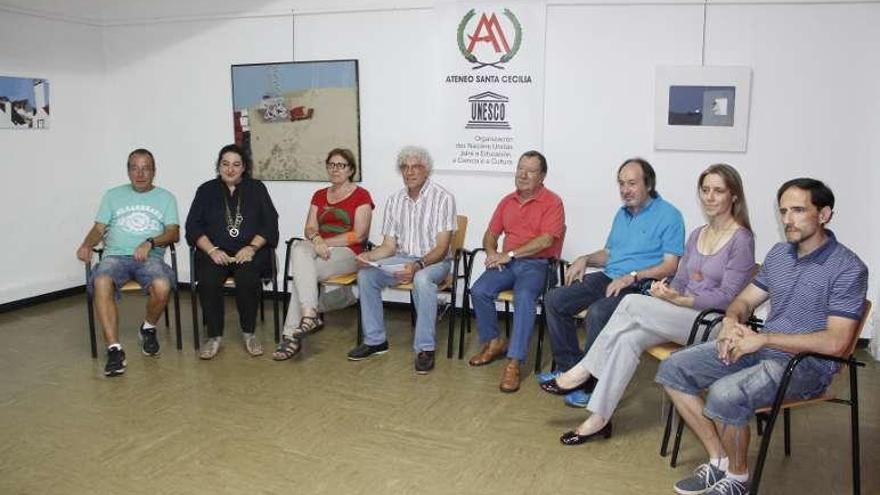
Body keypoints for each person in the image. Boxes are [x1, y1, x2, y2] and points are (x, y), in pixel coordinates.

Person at [656, 178, 867, 495]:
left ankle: (739, 480)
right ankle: (720, 462)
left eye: (798, 210)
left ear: (824, 215)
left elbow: (836, 343)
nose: (787, 220)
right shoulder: (780, 255)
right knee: (673, 368)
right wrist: (730, 323)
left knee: (726, 393)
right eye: (783, 211)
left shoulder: (848, 268)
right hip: (760, 348)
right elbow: (743, 301)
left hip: (807, 366)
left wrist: (764, 340)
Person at [540, 164, 755, 445]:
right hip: (680, 314)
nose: (710, 197)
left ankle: (581, 371)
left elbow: (729, 298)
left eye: (718, 191)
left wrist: (682, 298)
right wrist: (667, 292)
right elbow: (679, 278)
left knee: (629, 302)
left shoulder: (742, 239)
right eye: (705, 190)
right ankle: (599, 419)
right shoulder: (698, 234)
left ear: (734, 196)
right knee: (628, 338)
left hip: (712, 322)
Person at [541, 158, 685, 406]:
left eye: (632, 183)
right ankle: (571, 371)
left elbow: (671, 265)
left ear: (648, 184)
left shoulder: (670, 215)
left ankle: (592, 385)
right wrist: (585, 258)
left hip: (641, 285)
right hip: (610, 277)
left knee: (598, 313)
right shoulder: (622, 214)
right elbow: (609, 254)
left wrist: (634, 275)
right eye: (621, 184)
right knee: (555, 299)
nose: (625, 190)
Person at [348, 146, 457, 374]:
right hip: (402, 257)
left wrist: (418, 266)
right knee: (366, 275)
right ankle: (376, 340)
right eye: (405, 167)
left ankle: (425, 349)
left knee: (422, 280)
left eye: (415, 166)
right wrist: (368, 257)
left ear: (426, 170)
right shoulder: (394, 200)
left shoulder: (443, 198)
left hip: (434, 262)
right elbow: (388, 246)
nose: (410, 172)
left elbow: (442, 247)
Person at [76, 148, 180, 377]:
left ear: (154, 172)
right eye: (134, 168)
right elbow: (98, 229)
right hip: (114, 257)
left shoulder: (166, 198)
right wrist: (86, 244)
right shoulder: (112, 196)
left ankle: (148, 328)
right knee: (101, 280)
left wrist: (151, 242)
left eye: (146, 168)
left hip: (149, 258)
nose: (140, 173)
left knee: (162, 286)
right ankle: (114, 350)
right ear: (128, 171)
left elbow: (174, 233)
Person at [468, 150, 565, 392]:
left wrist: (509, 254)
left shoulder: (553, 202)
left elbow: (545, 241)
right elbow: (490, 235)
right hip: (508, 264)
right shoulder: (507, 201)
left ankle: (514, 361)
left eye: (530, 170)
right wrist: (491, 252)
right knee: (479, 290)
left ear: (542, 176)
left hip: (538, 264)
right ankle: (494, 342)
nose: (523, 174)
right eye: (520, 168)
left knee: (524, 297)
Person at [272, 148, 374, 360]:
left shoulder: (362, 196)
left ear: (351, 170)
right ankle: (310, 314)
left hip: (348, 252)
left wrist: (323, 242)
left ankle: (290, 337)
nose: (335, 169)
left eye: (341, 165)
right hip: (319, 246)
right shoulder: (319, 195)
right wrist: (316, 240)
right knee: (300, 248)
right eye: (331, 165)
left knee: (302, 278)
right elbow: (309, 229)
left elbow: (359, 235)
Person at [185, 144, 279, 360]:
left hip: (248, 252)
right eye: (225, 164)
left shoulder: (257, 189)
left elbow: (269, 223)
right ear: (218, 167)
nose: (230, 169)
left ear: (244, 167)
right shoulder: (206, 190)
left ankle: (249, 333)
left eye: (236, 164)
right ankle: (214, 336)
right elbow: (193, 226)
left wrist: (252, 247)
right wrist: (211, 250)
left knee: (247, 278)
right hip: (216, 252)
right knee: (208, 280)